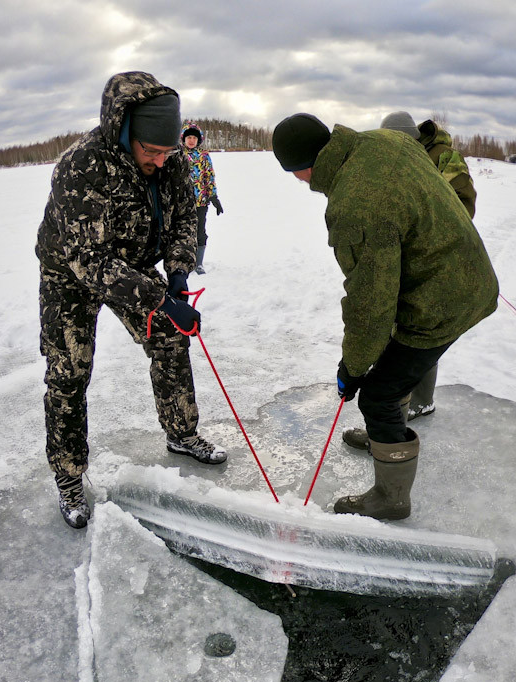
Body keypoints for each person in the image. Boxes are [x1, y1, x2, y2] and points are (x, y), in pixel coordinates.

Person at [272, 113, 498, 521]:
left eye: (294, 173)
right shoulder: (379, 143)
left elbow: (370, 300)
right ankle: (384, 435)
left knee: (378, 394)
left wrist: (354, 366)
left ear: (303, 165)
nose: (299, 181)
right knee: (393, 364)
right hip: (459, 277)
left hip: (442, 300)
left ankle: (391, 498)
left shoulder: (355, 205)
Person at [36, 71, 226, 530]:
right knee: (69, 372)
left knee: (169, 335)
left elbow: (185, 219)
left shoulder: (173, 159)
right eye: (151, 151)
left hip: (134, 266)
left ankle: (181, 431)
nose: (161, 161)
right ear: (125, 133)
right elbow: (91, 262)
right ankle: (69, 476)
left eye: (168, 151)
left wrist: (178, 272)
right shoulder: (81, 166)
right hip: (71, 274)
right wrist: (160, 295)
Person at [374, 111, 478, 425]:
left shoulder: (444, 158)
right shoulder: (398, 161)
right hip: (405, 257)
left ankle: (411, 407)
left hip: (437, 260)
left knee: (418, 334)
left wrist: (421, 227)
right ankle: (406, 402)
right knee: (403, 330)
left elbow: (464, 204)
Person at [181, 122, 223, 274]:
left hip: (201, 202)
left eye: (194, 137)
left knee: (200, 232)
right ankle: (184, 263)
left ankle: (198, 264)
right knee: (183, 233)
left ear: (199, 140)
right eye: (189, 137)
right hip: (182, 202)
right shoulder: (178, 154)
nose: (191, 140)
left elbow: (209, 177)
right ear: (183, 139)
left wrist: (214, 196)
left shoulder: (204, 156)